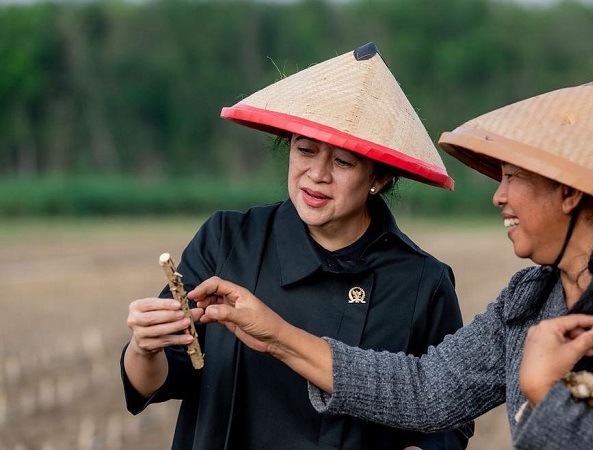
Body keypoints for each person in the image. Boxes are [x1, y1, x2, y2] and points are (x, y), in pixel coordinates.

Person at [188, 73, 593, 449]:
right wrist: (276, 334)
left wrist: (544, 389)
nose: (499, 196)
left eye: (512, 178)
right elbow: (426, 388)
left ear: (569, 194)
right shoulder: (531, 300)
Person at [121, 42, 473, 450]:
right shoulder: (228, 241)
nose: (317, 174)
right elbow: (163, 378)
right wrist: (144, 348)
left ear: (381, 178)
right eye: (305, 150)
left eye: (343, 162)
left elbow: (448, 419)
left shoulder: (420, 281)